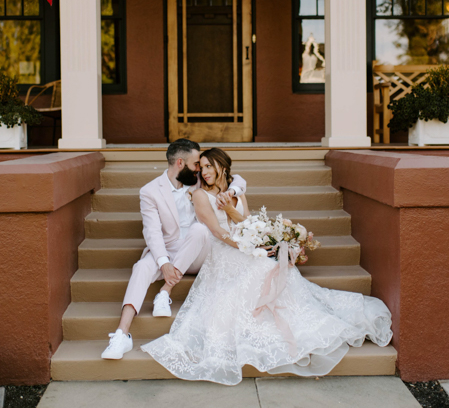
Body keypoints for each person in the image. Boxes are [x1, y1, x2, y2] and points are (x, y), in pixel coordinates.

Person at [141, 148, 393, 385]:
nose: (204, 172)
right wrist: (250, 248)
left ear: (222, 167)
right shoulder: (199, 194)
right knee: (262, 265)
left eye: (209, 166)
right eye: (202, 168)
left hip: (242, 243)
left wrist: (237, 214)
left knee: (274, 265)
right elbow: (216, 231)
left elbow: (246, 221)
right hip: (221, 250)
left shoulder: (236, 192)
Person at [101, 140, 247, 360]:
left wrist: (233, 190)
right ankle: (122, 335)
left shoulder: (198, 180)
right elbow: (152, 233)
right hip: (167, 251)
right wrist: (163, 263)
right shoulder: (149, 191)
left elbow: (236, 179)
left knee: (199, 230)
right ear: (181, 163)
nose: (201, 168)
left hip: (200, 251)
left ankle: (166, 290)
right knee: (141, 267)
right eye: (197, 163)